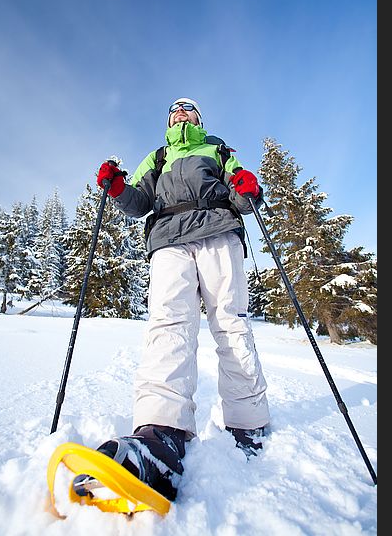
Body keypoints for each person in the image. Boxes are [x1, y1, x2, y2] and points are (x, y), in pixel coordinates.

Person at [84, 97, 270, 501]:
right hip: (169, 239)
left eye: (189, 109)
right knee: (168, 326)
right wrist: (117, 187)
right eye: (175, 110)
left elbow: (244, 199)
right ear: (169, 120)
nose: (181, 113)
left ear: (200, 118)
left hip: (219, 229)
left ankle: (248, 420)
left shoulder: (218, 150)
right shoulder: (158, 156)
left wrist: (246, 188)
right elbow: (137, 201)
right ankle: (161, 431)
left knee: (230, 322)